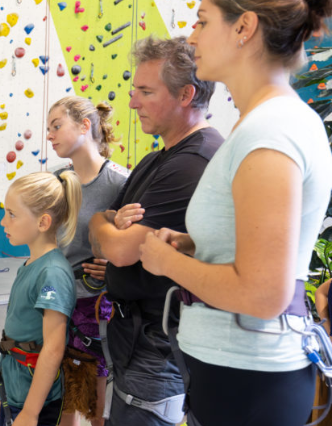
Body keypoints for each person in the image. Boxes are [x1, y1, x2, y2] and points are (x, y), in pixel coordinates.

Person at [138, 1, 332, 424]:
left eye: (203, 22)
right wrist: (195, 244)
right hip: (238, 374)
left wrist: (167, 262)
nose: (192, 37)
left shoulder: (271, 129)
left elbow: (263, 294)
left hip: (249, 378)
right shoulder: (266, 121)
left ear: (244, 27)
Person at [87, 35, 222, 426]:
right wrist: (105, 225)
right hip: (135, 338)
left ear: (186, 94)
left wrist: (106, 228)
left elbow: (119, 250)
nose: (133, 103)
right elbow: (100, 226)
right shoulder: (157, 158)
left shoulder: (192, 163)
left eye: (146, 92)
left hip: (157, 346)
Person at [47, 97, 129, 426]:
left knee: (96, 408)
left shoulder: (120, 183)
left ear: (84, 126)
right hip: (55, 300)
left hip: (95, 307)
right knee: (62, 397)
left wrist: (116, 268)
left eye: (56, 126)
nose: (50, 135)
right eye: (48, 128)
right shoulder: (55, 181)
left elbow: (136, 245)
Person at [0, 171, 82, 426]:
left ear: (43, 222)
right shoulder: (33, 264)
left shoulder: (51, 273)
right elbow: (16, 336)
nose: (3, 222)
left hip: (36, 404)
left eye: (12, 214)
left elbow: (53, 349)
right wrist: (4, 392)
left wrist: (31, 412)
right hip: (16, 392)